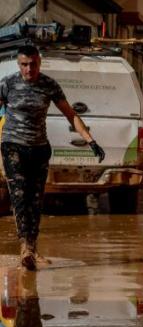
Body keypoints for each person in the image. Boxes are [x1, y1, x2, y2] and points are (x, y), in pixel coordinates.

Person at [0, 45, 105, 270]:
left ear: (40, 62)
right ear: (19, 65)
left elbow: (70, 114)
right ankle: (25, 247)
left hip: (38, 148)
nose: (29, 69)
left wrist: (90, 140)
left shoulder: (48, 85)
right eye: (24, 65)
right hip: (12, 146)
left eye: (33, 64)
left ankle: (32, 248)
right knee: (19, 196)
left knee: (36, 199)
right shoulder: (7, 84)